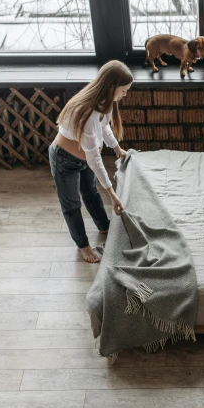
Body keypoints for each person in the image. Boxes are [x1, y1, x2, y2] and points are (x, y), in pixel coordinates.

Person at [50, 60, 131, 263]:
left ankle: (104, 226)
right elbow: (94, 158)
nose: (125, 95)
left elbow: (105, 127)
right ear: (111, 86)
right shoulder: (87, 113)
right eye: (123, 90)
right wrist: (112, 194)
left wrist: (116, 147)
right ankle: (83, 246)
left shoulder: (106, 102)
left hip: (84, 158)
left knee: (91, 193)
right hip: (64, 160)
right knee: (72, 205)